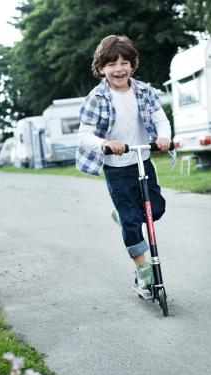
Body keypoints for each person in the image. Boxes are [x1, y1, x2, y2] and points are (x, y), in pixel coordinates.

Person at [76, 35, 171, 289]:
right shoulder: (97, 98)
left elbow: (161, 118)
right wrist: (105, 144)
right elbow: (84, 134)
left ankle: (121, 214)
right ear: (100, 69)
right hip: (117, 169)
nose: (119, 69)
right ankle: (142, 269)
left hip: (143, 160)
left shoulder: (144, 90)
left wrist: (164, 137)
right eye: (111, 64)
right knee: (132, 220)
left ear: (133, 65)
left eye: (124, 62)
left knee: (156, 209)